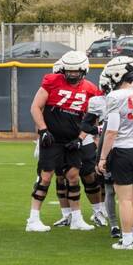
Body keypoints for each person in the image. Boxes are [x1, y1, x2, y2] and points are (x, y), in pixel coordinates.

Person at [26, 51, 100, 232]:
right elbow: (35, 107)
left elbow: (92, 119)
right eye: (69, 71)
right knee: (45, 177)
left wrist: (81, 139)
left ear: (84, 70)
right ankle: (33, 219)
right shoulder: (52, 81)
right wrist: (43, 130)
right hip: (52, 139)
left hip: (72, 141)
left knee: (74, 177)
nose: (72, 74)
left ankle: (76, 219)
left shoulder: (91, 89)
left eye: (76, 71)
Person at [95, 57, 133, 250]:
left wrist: (103, 157)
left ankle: (127, 239)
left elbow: (111, 131)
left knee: (124, 199)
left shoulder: (115, 96)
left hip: (123, 150)